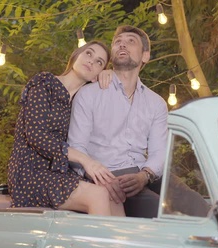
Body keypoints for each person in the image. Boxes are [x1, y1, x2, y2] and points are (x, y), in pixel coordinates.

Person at [7, 41, 125, 216]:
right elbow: (36, 136)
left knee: (114, 196)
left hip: (61, 173)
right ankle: (100, 244)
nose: (91, 61)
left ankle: (120, 244)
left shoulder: (83, 100)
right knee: (98, 195)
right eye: (88, 54)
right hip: (29, 173)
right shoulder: (44, 85)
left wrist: (110, 76)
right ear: (76, 56)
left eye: (99, 62)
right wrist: (86, 161)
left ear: (97, 75)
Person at [68, 26, 168, 218]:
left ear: (145, 56)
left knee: (195, 206)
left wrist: (144, 176)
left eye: (131, 41)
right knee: (165, 212)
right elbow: (77, 147)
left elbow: (159, 152)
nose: (122, 43)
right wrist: (100, 179)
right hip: (108, 176)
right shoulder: (89, 94)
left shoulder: (156, 103)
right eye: (117, 41)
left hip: (145, 173)